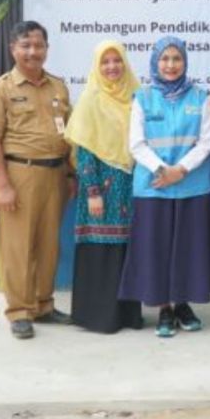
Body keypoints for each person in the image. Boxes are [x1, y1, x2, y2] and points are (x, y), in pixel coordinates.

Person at [118, 36, 210, 336]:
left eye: (176, 58)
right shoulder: (142, 98)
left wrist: (180, 170)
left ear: (185, 62)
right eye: (164, 59)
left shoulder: (201, 98)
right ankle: (164, 308)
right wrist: (162, 170)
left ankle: (183, 304)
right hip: (153, 187)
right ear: (155, 62)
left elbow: (206, 142)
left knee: (189, 249)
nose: (170, 65)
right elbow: (136, 144)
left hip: (191, 186)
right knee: (157, 249)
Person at [0, 21, 76, 339]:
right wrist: (3, 185)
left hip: (56, 174)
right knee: (18, 246)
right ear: (13, 49)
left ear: (47, 48)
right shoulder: (0, 88)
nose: (33, 52)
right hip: (19, 174)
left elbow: (70, 132)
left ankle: (43, 304)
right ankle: (19, 311)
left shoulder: (58, 86)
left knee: (49, 244)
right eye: (26, 45)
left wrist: (72, 172)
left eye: (39, 45)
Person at [65, 40, 144, 333]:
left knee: (126, 249)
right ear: (97, 67)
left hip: (130, 185)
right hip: (100, 185)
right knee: (100, 248)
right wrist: (93, 192)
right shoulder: (90, 99)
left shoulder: (137, 98)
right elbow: (84, 150)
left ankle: (127, 315)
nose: (112, 67)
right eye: (105, 62)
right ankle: (98, 316)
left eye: (117, 61)